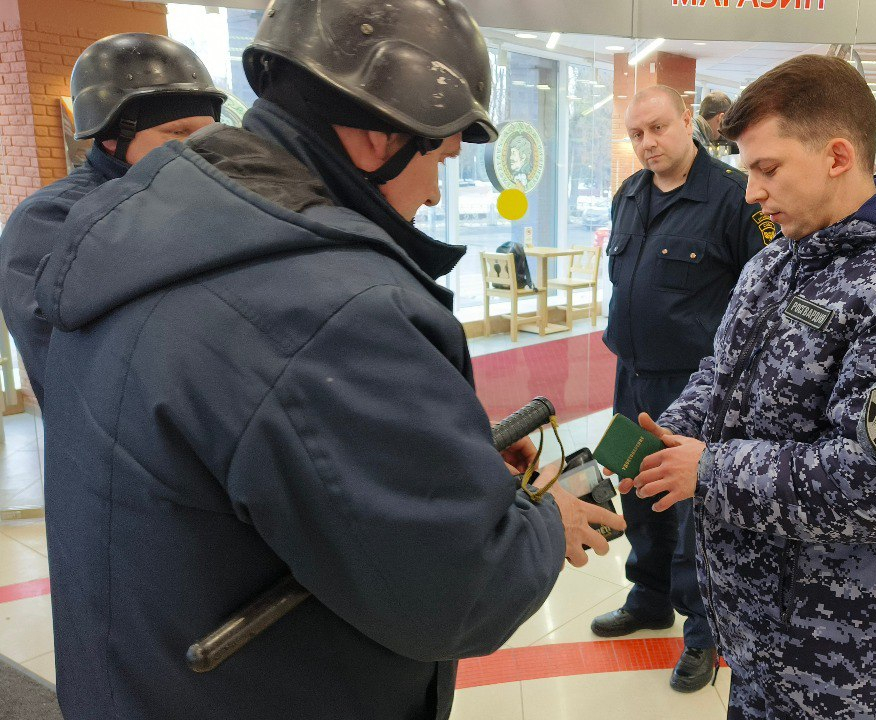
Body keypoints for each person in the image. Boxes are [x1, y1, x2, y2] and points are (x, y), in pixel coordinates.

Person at [32, 1, 622, 718]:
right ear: (380, 135)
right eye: (439, 156)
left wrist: (432, 453)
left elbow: (256, 445)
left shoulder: (135, 227)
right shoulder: (336, 307)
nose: (437, 192)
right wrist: (549, 519)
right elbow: (458, 593)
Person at [625, 55, 876, 719]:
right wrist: (641, 445)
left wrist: (710, 472)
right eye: (747, 171)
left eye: (767, 169)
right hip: (757, 635)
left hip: (843, 661)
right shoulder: (776, 265)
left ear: (836, 156)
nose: (750, 194)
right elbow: (722, 375)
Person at [595, 84, 768, 693]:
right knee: (638, 489)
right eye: (637, 133)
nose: (648, 143)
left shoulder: (731, 198)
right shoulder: (630, 195)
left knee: (696, 509)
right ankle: (648, 596)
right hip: (633, 376)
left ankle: (703, 633)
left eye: (659, 129)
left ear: (687, 125)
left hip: (697, 387)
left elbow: (765, 296)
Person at [0, 33, 225, 403]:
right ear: (110, 137)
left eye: (206, 133)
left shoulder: (208, 198)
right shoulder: (49, 220)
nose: (198, 148)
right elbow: (63, 361)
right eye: (177, 132)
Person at [693, 90, 735, 157]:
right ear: (721, 118)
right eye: (727, 123)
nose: (725, 131)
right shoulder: (693, 137)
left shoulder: (700, 131)